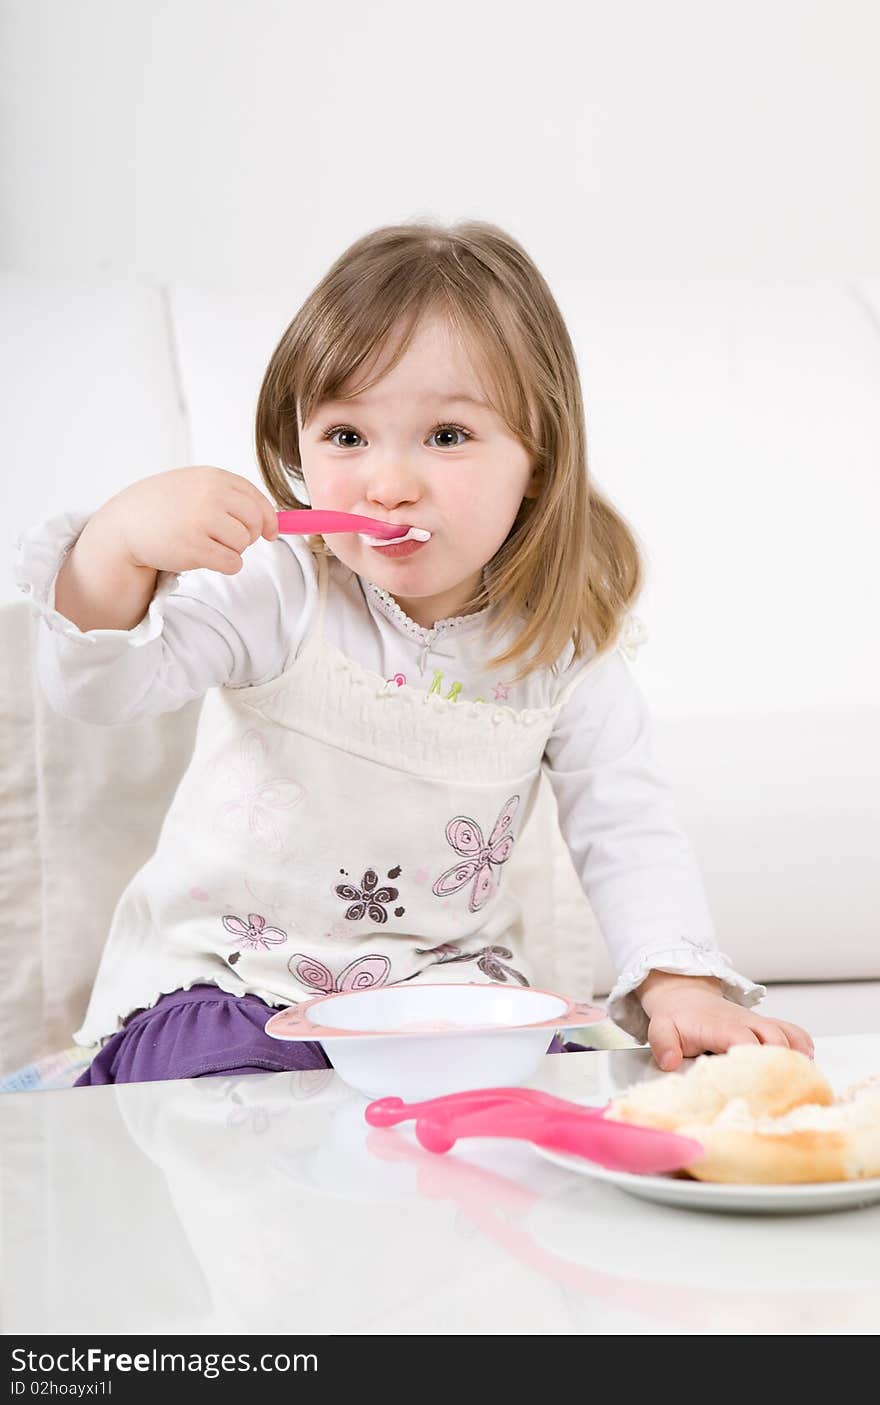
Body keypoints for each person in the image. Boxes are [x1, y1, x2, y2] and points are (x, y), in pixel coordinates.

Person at [13, 220, 813, 1085]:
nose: (389, 483)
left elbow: (627, 823)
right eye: (348, 437)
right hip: (235, 980)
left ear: (537, 459)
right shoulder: (279, 592)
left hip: (445, 992)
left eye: (446, 436)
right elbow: (97, 691)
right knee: (236, 1091)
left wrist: (679, 981)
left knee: (544, 1096)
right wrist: (118, 546)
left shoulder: (563, 644)